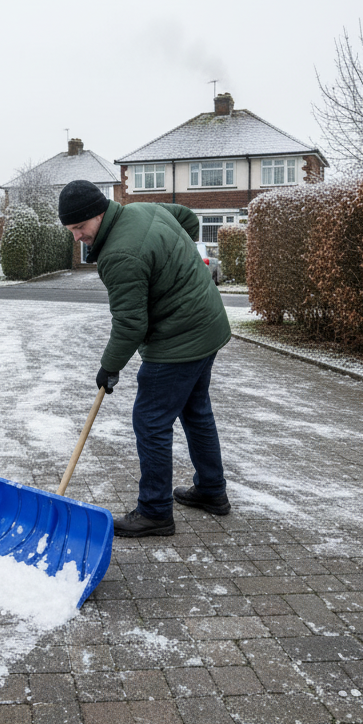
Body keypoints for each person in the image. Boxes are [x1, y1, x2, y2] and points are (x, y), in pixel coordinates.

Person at [58, 179, 233, 538]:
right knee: (196, 410)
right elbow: (187, 220)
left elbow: (130, 323)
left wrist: (109, 366)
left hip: (179, 339)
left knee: (151, 420)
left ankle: (154, 511)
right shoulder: (145, 210)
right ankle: (211, 491)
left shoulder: (119, 255)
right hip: (208, 322)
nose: (77, 237)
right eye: (71, 231)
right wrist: (173, 267)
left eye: (80, 227)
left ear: (99, 214)